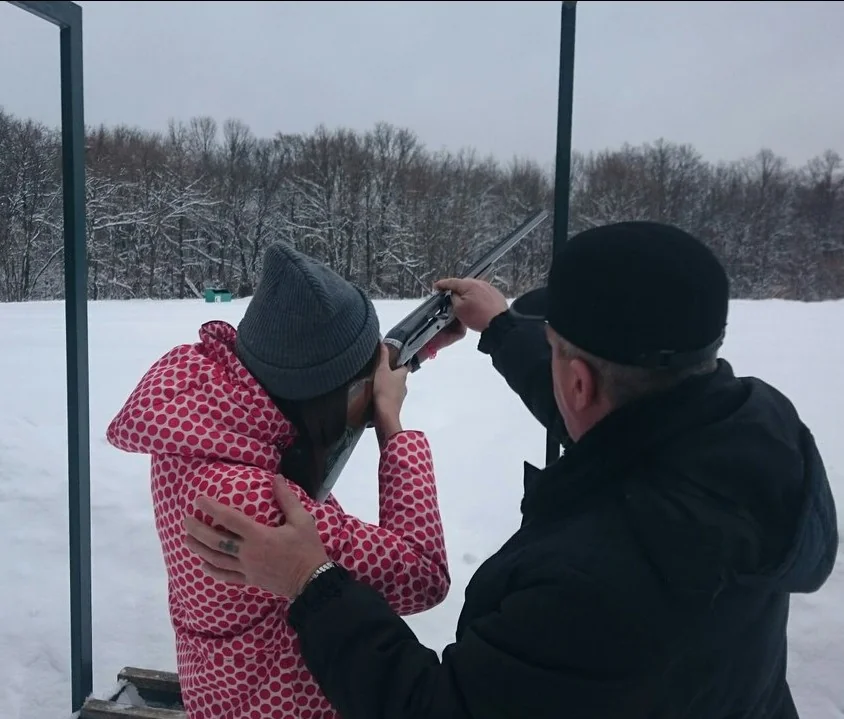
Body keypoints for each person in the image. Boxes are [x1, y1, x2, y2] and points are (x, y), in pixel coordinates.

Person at [183, 222, 839, 719]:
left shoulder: (589, 586)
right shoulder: (751, 437)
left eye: (552, 349)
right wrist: (501, 328)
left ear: (578, 382)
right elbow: (618, 418)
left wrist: (309, 579)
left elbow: (433, 703)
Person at [106, 241, 454, 719]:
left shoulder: (203, 423)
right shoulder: (253, 501)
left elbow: (310, 403)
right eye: (363, 386)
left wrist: (408, 354)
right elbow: (422, 574)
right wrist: (391, 424)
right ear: (325, 399)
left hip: (222, 692)